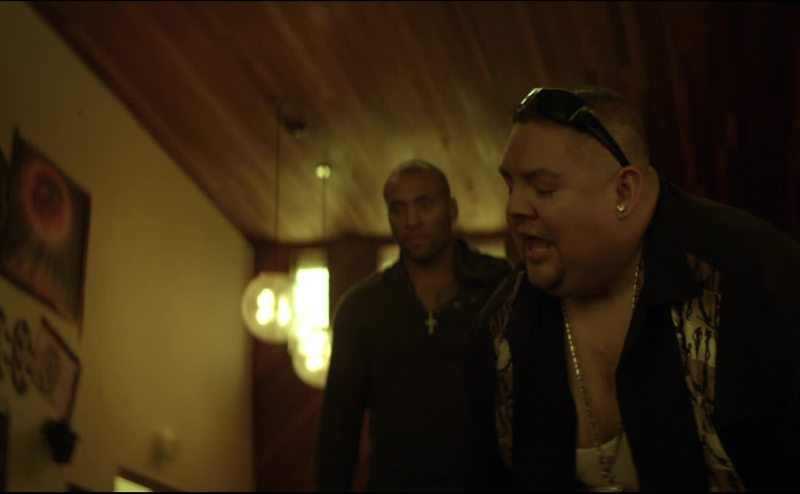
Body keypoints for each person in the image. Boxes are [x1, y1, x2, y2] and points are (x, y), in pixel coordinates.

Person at [462, 87, 800, 491]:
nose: (515, 208)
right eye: (510, 186)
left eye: (544, 189)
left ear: (623, 192)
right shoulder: (502, 330)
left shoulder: (756, 281)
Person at [315, 159, 511, 491]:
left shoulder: (497, 286)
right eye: (398, 209)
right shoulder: (362, 308)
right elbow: (338, 429)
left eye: (424, 205)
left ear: (451, 210)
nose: (411, 221)